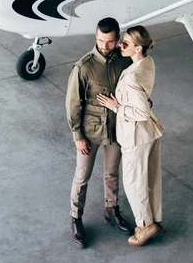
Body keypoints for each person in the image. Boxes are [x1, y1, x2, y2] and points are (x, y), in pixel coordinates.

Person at [66, 17, 134, 248]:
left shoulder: (124, 61)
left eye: (110, 42)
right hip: (90, 130)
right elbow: (73, 104)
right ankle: (75, 218)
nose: (104, 46)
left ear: (118, 40)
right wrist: (78, 136)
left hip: (116, 129)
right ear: (95, 36)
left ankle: (111, 210)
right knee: (82, 176)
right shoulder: (83, 67)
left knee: (112, 173)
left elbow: (133, 87)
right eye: (101, 41)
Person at [97, 25, 164, 247]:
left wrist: (117, 106)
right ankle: (156, 221)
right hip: (151, 133)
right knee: (152, 180)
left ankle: (145, 226)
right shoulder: (148, 62)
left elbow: (141, 111)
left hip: (136, 136)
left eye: (125, 44)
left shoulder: (132, 77)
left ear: (137, 48)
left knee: (135, 183)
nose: (119, 46)